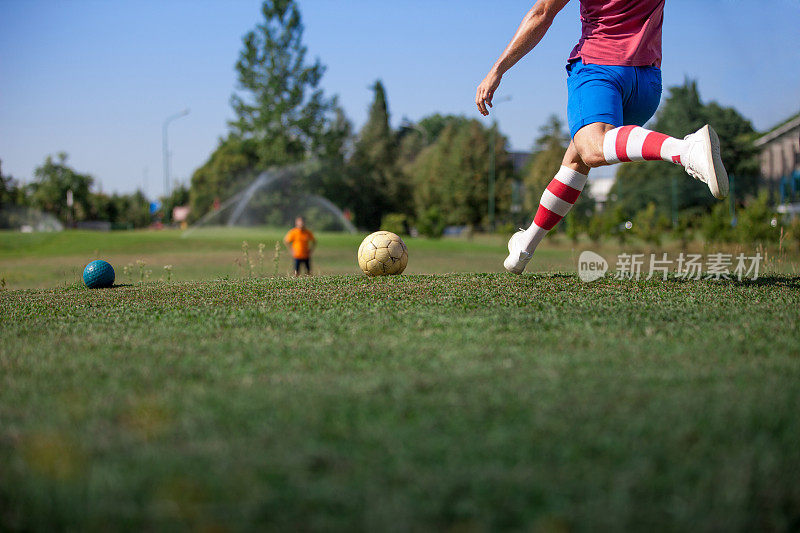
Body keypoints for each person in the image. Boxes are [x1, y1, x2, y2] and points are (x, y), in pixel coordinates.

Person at [475, 0, 728, 274]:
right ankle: (526, 245)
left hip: (600, 69)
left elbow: (542, 13)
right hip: (647, 84)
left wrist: (497, 69)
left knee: (592, 148)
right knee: (577, 158)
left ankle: (686, 151)